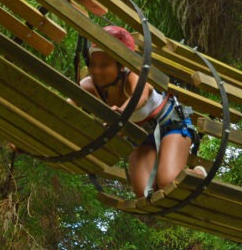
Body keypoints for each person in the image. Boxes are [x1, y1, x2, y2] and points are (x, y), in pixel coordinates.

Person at [79, 25, 205, 198]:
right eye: (93, 65)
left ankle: (197, 174)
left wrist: (122, 112)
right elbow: (70, 103)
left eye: (105, 65)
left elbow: (142, 95)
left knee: (168, 183)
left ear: (121, 65)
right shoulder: (89, 85)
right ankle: (167, 168)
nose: (97, 71)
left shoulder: (133, 77)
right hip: (142, 137)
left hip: (171, 126)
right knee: (144, 193)